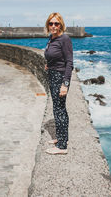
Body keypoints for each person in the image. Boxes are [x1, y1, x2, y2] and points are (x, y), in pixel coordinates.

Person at [44, 12, 73, 155]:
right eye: (51, 23)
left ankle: (62, 147)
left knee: (59, 110)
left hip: (60, 77)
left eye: (56, 23)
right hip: (53, 74)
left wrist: (65, 84)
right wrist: (49, 64)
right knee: (59, 108)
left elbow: (69, 63)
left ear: (61, 24)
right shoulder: (52, 38)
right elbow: (54, 55)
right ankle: (63, 138)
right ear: (48, 25)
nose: (54, 26)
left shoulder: (64, 39)